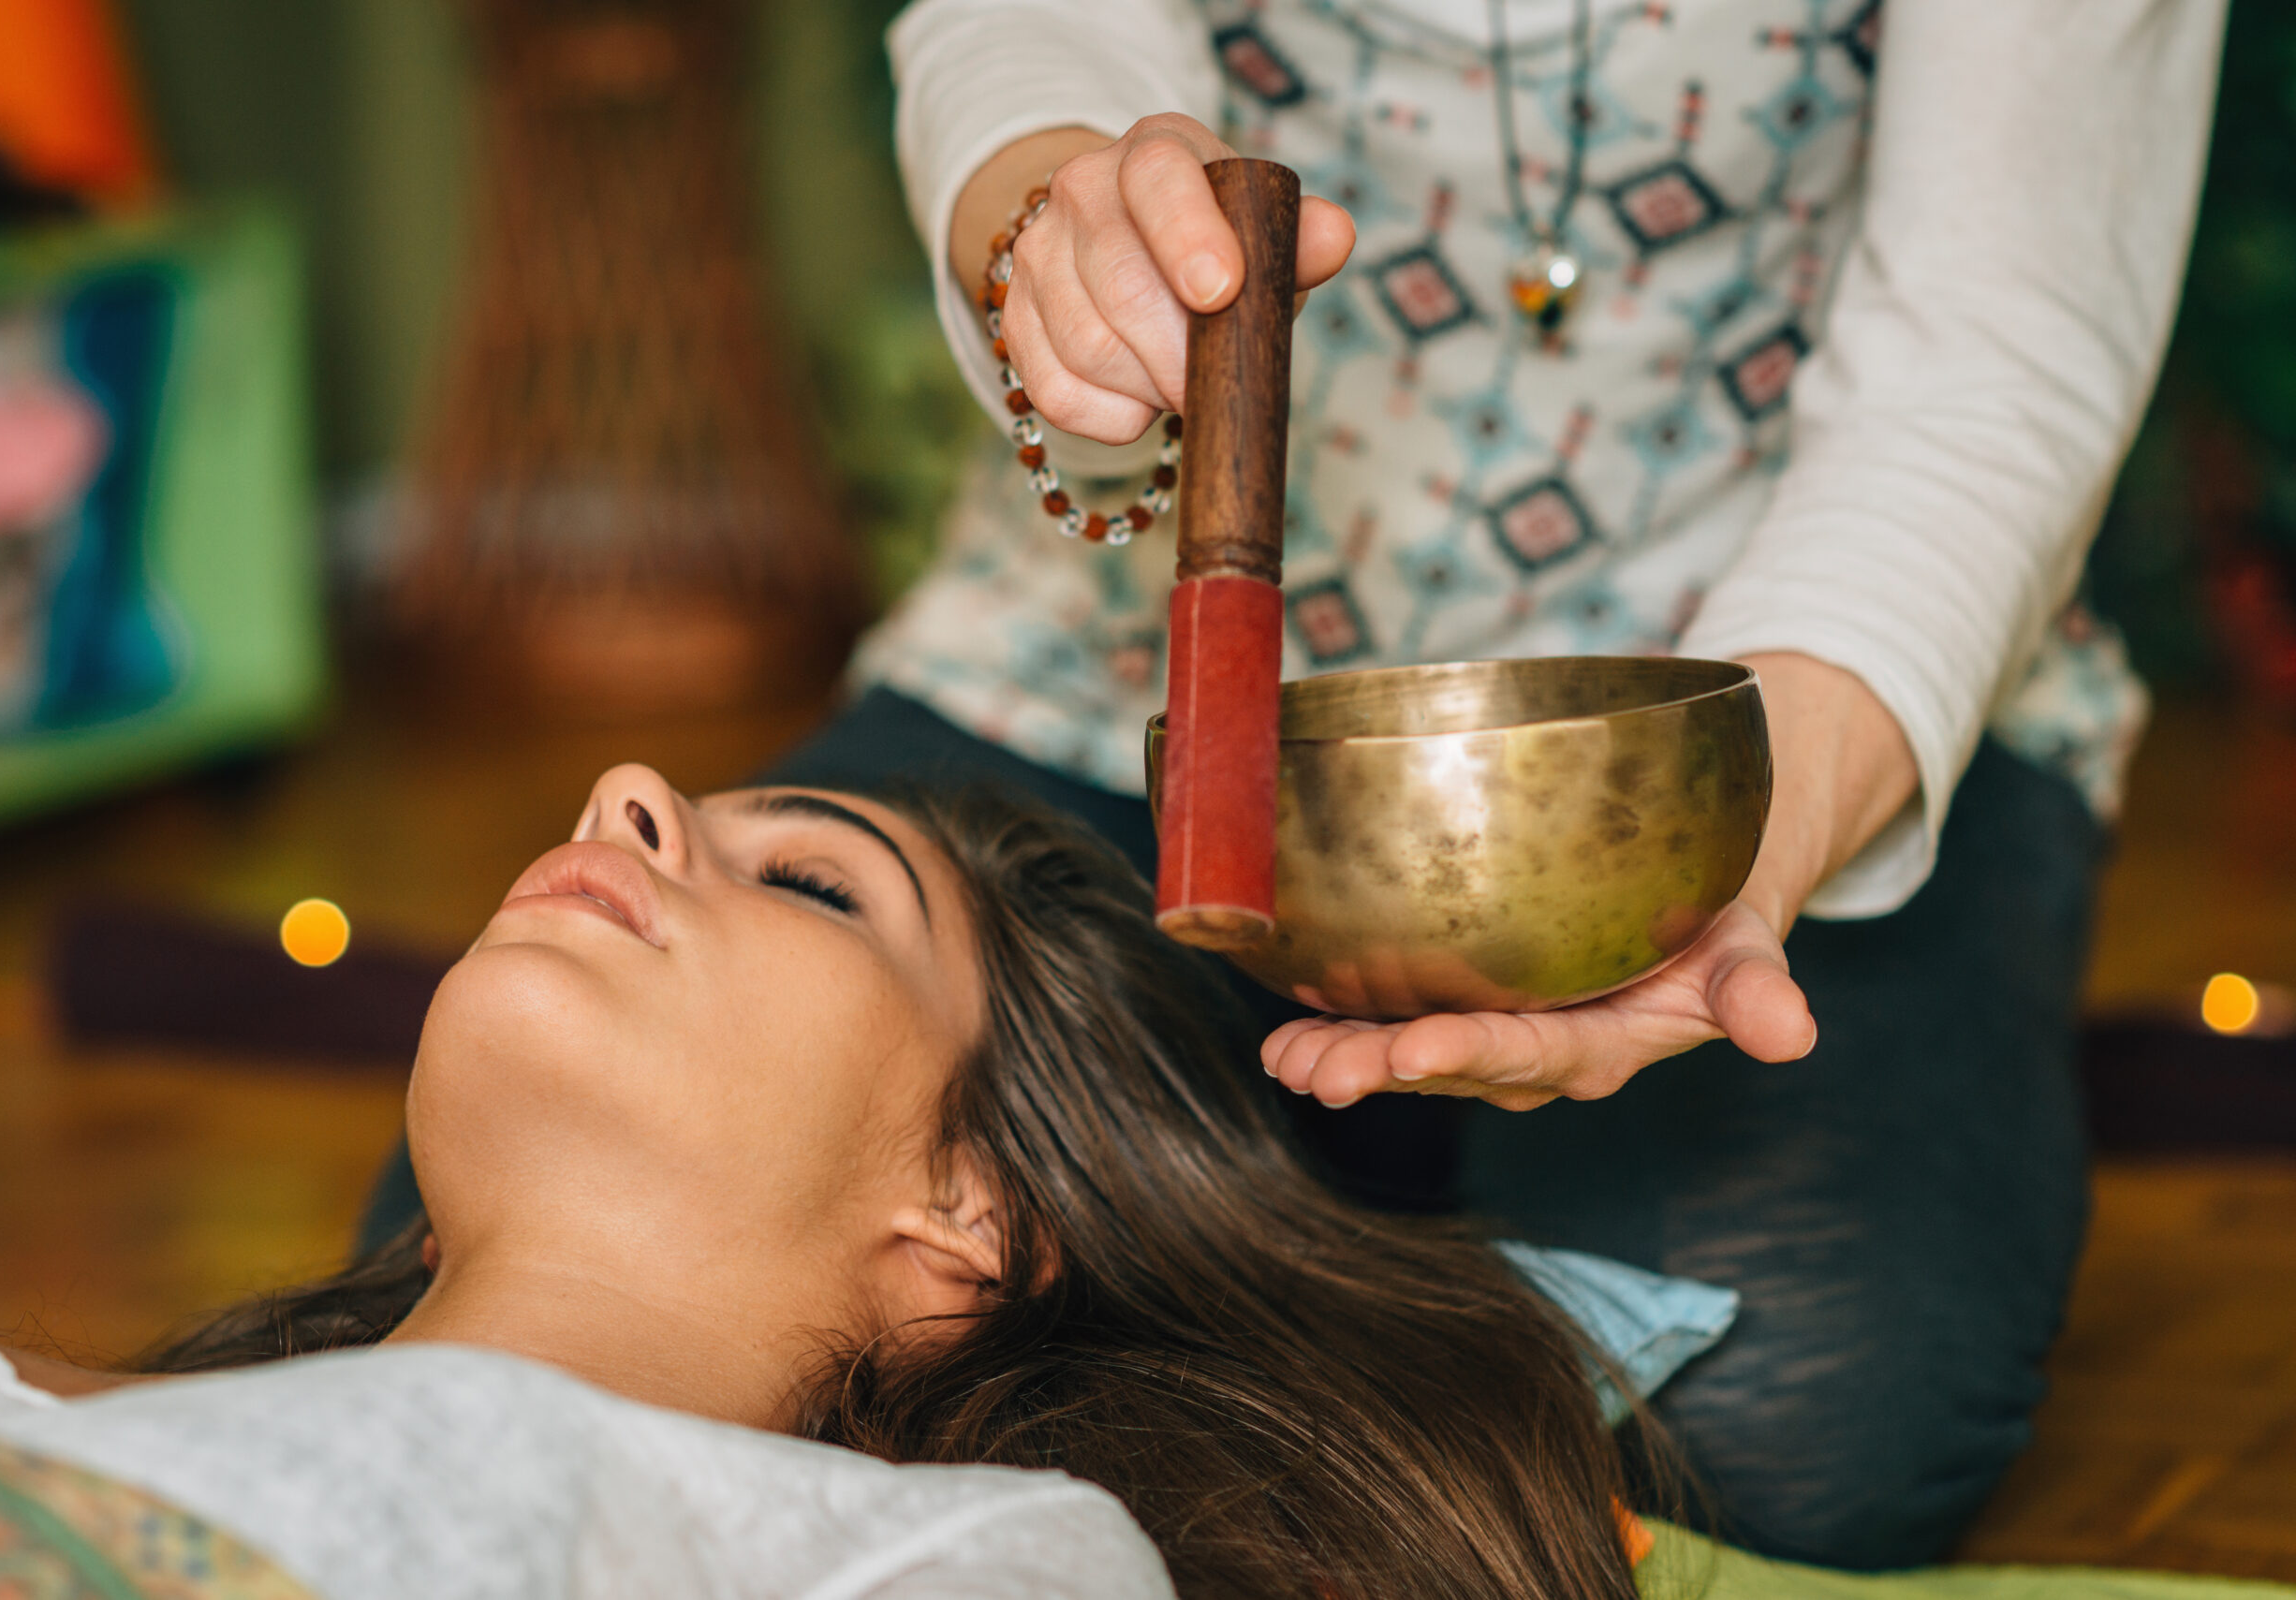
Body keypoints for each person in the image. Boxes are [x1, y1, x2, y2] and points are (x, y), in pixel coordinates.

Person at [753, 0, 2229, 1569]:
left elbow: (1993, 356)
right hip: (1110, 689)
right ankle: (1354, 1228)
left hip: (1784, 714)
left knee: (1782, 1421)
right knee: (585, 1191)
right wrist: (1067, 220)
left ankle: (1237, 1225)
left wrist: (1747, 849)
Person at [0, 765, 1672, 1600]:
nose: (624, 794)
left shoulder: (972, 1567)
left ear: (974, 1213)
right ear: (429, 1205)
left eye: (818, 882)